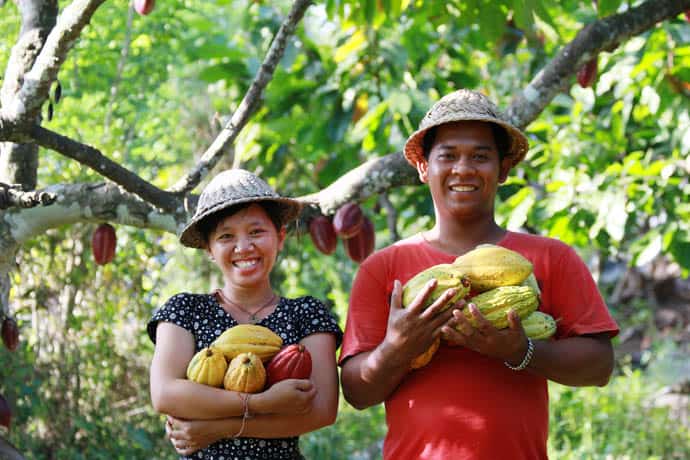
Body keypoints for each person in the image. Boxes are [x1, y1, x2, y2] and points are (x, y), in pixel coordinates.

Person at [339, 89, 619, 459]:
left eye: (481, 156)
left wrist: (521, 350)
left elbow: (599, 366)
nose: (463, 169)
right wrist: (398, 347)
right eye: (448, 155)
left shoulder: (551, 258)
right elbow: (357, 394)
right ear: (424, 167)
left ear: (503, 169)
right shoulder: (383, 269)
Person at [148, 169, 342, 459]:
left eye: (256, 232)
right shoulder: (184, 310)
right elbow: (165, 394)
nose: (243, 247)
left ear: (280, 237)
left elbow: (322, 411)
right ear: (210, 250)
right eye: (226, 236)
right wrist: (263, 403)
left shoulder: (307, 313)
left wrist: (217, 428)